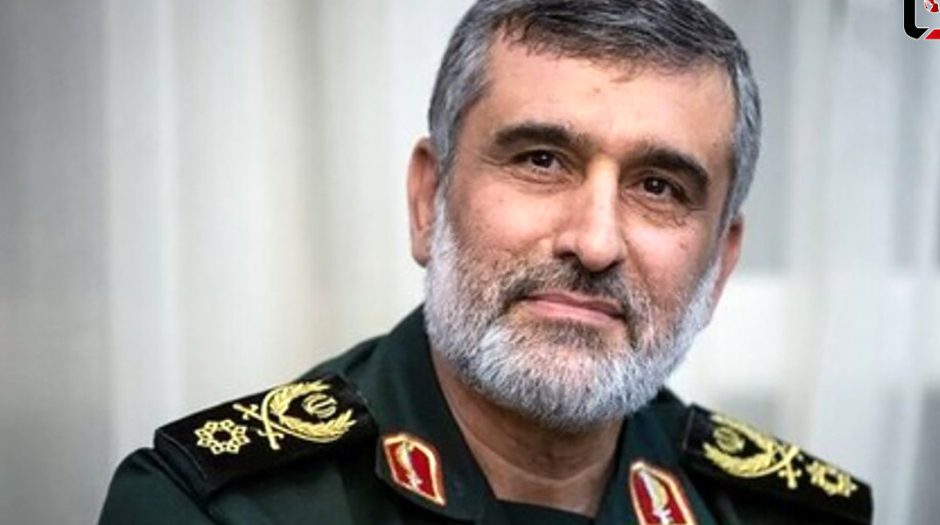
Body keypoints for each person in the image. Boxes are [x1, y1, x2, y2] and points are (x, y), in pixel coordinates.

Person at [99, 1, 872, 523]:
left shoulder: (789, 514)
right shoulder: (213, 508)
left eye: (659, 186)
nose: (595, 241)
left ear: (720, 264)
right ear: (428, 200)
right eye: (541, 160)